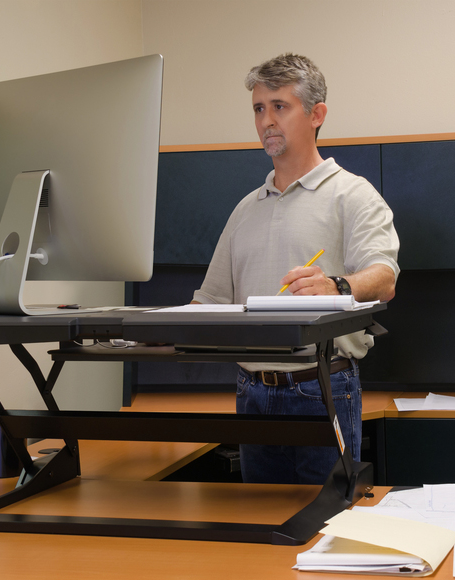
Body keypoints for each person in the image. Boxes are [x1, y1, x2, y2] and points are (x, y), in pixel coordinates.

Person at [192, 53, 400, 484]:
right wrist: (153, 332)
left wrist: (336, 285)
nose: (266, 120)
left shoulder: (353, 195)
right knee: (261, 525)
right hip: (252, 392)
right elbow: (208, 300)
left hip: (320, 387)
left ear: (316, 114)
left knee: (326, 528)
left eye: (279, 106)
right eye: (258, 108)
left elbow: (384, 278)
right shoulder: (244, 209)